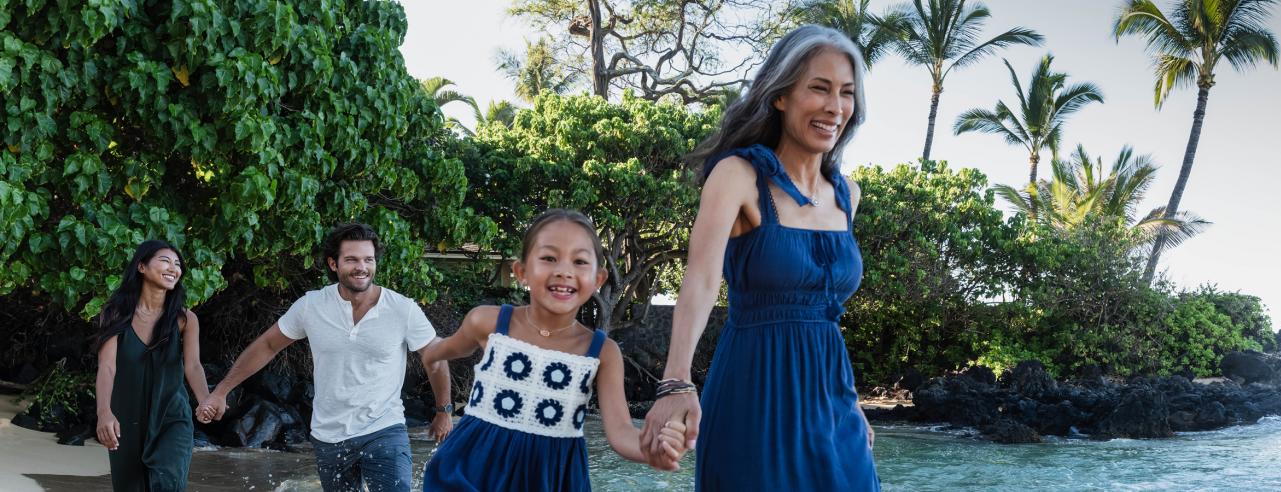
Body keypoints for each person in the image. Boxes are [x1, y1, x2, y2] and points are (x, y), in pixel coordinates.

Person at [638, 24, 879, 490]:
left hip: (834, 407)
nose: (835, 107)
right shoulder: (738, 176)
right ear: (781, 96)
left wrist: (850, 403)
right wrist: (675, 382)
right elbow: (701, 280)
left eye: (847, 93)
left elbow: (823, 316)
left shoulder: (849, 194)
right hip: (755, 394)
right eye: (819, 88)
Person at [420, 209, 688, 491]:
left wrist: (653, 448)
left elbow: (621, 432)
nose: (564, 270)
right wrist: (433, 365)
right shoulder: (487, 321)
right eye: (549, 258)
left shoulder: (602, 352)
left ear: (598, 279)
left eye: (580, 261)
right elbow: (441, 351)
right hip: (474, 467)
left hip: (550, 477)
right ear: (521, 271)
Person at [195, 223, 452, 492]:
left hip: (384, 429)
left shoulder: (402, 309)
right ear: (333, 263)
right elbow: (268, 345)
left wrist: (443, 410)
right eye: (351, 259)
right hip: (329, 436)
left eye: (368, 259)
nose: (361, 267)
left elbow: (435, 356)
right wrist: (221, 391)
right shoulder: (311, 306)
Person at [94, 239, 209, 491]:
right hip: (126, 419)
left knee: (168, 482)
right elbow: (107, 367)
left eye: (177, 264)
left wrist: (204, 400)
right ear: (142, 267)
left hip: (172, 416)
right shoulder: (114, 313)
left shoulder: (185, 320)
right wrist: (104, 412)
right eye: (165, 260)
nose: (173, 268)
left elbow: (193, 366)